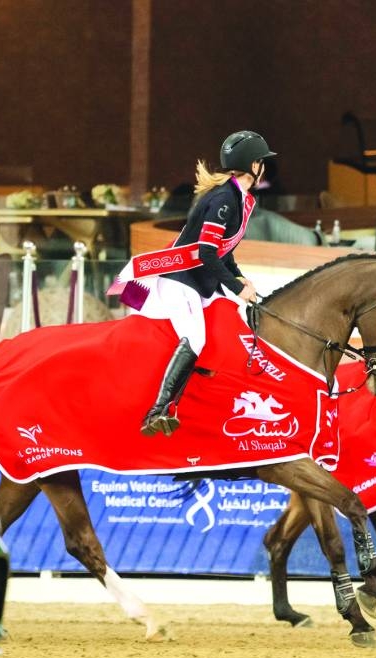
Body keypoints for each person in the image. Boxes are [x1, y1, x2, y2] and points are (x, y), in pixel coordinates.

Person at [116, 130, 275, 437]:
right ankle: (156, 412)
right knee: (196, 337)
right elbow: (206, 253)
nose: (264, 168)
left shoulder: (237, 197)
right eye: (262, 162)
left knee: (225, 319)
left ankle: (197, 381)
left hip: (198, 282)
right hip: (181, 281)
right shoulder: (225, 200)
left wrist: (238, 276)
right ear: (253, 165)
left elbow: (224, 251)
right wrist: (237, 288)